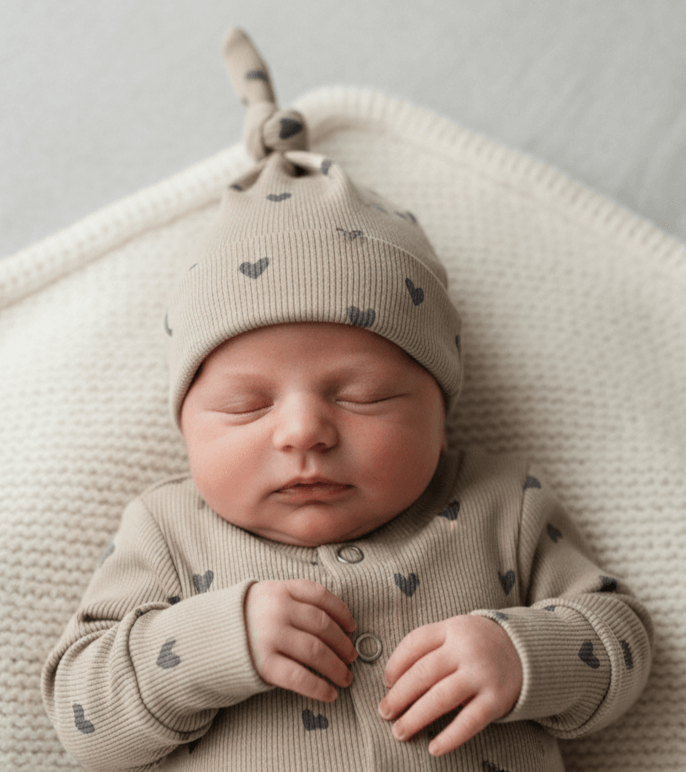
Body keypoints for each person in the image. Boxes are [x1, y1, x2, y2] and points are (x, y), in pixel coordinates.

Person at [42, 28, 652, 772]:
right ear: (185, 425)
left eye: (362, 396)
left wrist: (523, 655)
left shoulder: (502, 505)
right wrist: (213, 641)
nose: (303, 431)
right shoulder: (169, 531)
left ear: (440, 406)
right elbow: (82, 718)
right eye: (244, 405)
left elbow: (619, 637)